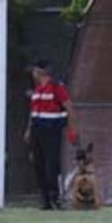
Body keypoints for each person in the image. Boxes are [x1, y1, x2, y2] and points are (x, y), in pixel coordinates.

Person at [23, 59, 78, 209]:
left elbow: (69, 108)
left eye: (34, 71)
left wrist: (72, 130)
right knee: (38, 164)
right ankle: (45, 199)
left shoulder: (56, 87)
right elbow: (33, 111)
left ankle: (55, 198)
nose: (33, 74)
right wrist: (29, 129)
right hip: (37, 131)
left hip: (52, 131)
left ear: (41, 72)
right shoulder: (36, 90)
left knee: (51, 165)